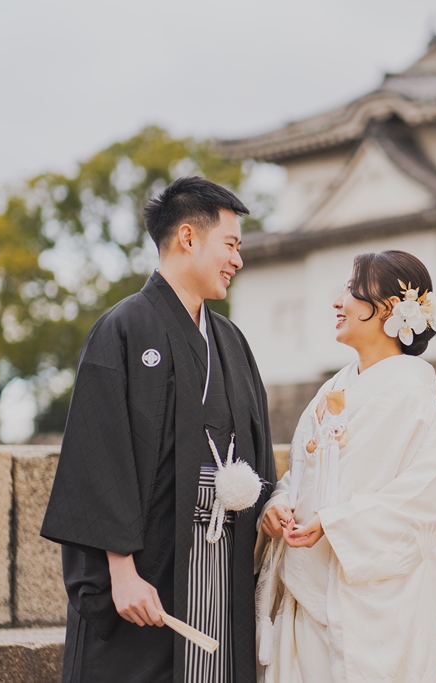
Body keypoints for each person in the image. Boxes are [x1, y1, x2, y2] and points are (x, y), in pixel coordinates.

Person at [41, 176, 276, 683]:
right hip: (149, 571)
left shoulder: (232, 342)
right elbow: (100, 457)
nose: (237, 260)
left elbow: (258, 455)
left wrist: (271, 507)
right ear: (188, 237)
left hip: (223, 567)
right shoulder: (123, 328)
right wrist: (121, 572)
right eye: (230, 245)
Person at [255, 250, 436, 683]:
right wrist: (278, 504)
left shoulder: (415, 403)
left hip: (362, 611)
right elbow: (303, 471)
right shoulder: (333, 390)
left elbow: (424, 504)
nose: (338, 301)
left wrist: (335, 523)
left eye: (352, 290)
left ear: (390, 309)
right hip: (302, 597)